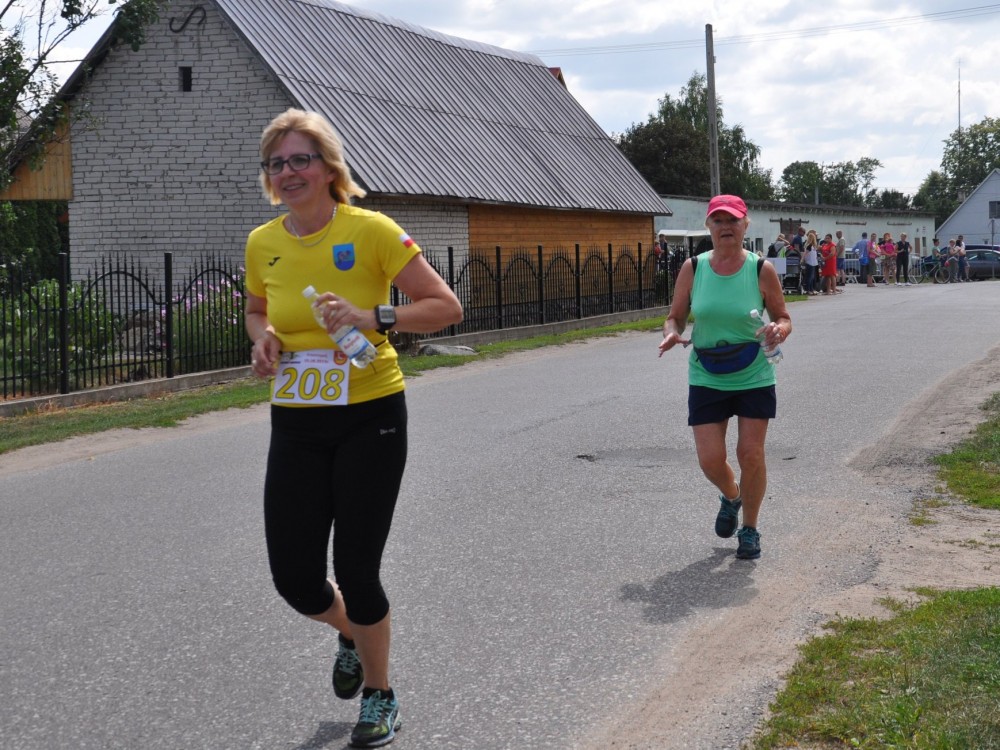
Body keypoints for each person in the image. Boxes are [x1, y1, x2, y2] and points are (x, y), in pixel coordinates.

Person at [244, 108, 463, 748]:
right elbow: (257, 310)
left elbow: (446, 307)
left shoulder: (371, 230)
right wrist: (265, 338)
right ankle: (350, 632)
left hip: (371, 415)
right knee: (294, 579)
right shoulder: (263, 242)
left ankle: (380, 693)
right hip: (296, 420)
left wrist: (374, 316)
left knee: (358, 569)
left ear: (328, 167)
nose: (288, 172)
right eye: (276, 163)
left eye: (300, 159)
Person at [657, 194, 792, 560]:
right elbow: (675, 316)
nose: (726, 227)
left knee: (750, 453)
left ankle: (750, 528)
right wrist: (672, 333)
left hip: (753, 373)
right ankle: (733, 496)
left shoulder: (761, 269)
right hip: (707, 373)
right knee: (710, 460)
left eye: (733, 220)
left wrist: (779, 330)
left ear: (745, 225)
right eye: (718, 221)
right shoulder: (693, 268)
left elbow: (783, 316)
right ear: (709, 227)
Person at [802, 229, 820, 295]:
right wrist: (802, 260)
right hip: (810, 263)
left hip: (813, 263)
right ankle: (808, 289)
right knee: (809, 277)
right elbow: (805, 254)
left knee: (812, 277)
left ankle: (811, 289)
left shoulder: (812, 246)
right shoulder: (809, 246)